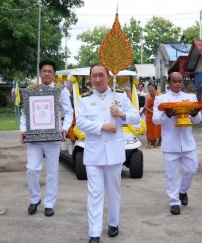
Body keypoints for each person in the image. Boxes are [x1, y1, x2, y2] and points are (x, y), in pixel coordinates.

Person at [77, 64, 140, 243]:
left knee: (113, 190)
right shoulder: (84, 99)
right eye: (94, 76)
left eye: (101, 75)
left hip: (114, 151)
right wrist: (103, 126)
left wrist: (121, 114)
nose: (97, 80)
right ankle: (94, 233)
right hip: (94, 153)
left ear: (108, 77)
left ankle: (113, 222)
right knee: (95, 192)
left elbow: (135, 117)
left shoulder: (119, 96)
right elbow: (81, 122)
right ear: (90, 78)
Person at [20, 59, 73, 217]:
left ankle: (49, 203)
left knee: (52, 171)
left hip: (53, 137)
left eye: (50, 71)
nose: (47, 74)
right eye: (44, 71)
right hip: (34, 137)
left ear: (54, 74)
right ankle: (34, 199)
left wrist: (64, 129)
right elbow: (25, 114)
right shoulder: (31, 90)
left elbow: (69, 112)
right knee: (32, 168)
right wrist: (23, 130)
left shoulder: (61, 90)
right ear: (40, 72)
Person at [152, 72, 201, 216]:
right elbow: (155, 120)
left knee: (192, 169)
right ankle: (174, 202)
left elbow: (197, 121)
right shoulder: (161, 98)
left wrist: (194, 113)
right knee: (171, 174)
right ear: (169, 82)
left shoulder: (191, 97)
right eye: (174, 81)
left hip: (188, 142)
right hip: (170, 143)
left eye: (180, 81)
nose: (177, 84)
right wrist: (167, 114)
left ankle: (182, 190)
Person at [144, 84, 161, 148]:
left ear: (156, 90)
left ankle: (155, 142)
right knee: (149, 128)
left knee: (156, 128)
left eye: (152, 91)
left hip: (157, 114)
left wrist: (157, 112)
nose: (151, 92)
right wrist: (153, 112)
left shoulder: (158, 96)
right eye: (149, 91)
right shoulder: (147, 97)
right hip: (149, 114)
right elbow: (146, 107)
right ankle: (149, 142)